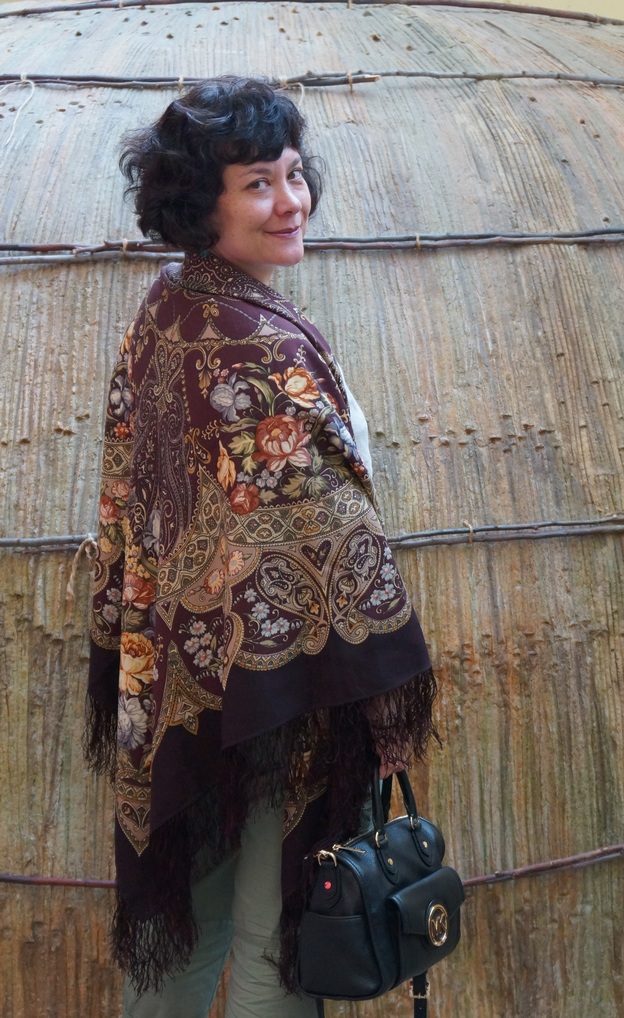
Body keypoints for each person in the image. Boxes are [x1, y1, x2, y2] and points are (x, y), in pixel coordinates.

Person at [85, 76, 437, 1018]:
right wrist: (380, 698)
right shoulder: (256, 344)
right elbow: (328, 528)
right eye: (256, 184)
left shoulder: (172, 305)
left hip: (183, 675)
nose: (290, 201)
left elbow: (136, 496)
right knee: (277, 933)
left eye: (293, 173)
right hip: (287, 683)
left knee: (187, 930)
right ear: (201, 203)